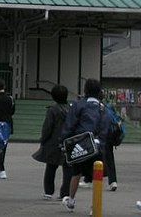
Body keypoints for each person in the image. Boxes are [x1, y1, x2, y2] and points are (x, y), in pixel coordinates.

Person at [60, 78, 113, 213]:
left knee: (76, 173)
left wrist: (63, 141)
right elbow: (106, 129)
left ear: (85, 90)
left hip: (81, 144)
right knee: (97, 175)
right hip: (97, 146)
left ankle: (71, 200)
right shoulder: (103, 109)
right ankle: (94, 206)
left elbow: (69, 125)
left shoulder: (78, 105)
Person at [31, 84, 71, 200]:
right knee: (67, 168)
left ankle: (49, 192)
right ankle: (65, 193)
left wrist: (43, 139)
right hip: (68, 142)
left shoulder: (53, 110)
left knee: (51, 167)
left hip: (53, 142)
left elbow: (47, 127)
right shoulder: (72, 109)